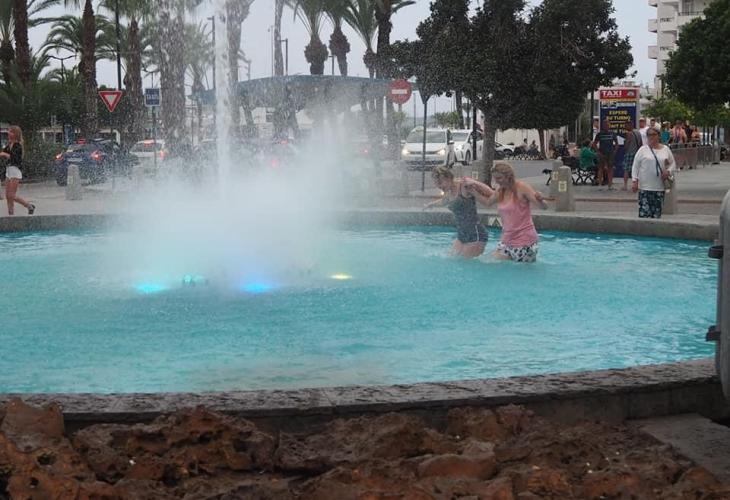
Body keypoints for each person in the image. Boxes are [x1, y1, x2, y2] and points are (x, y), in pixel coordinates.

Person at [463, 162, 547, 263]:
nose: (497, 181)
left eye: (499, 178)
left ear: (508, 176)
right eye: (495, 179)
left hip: (525, 241)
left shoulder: (522, 188)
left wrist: (541, 200)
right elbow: (487, 202)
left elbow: (543, 207)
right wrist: (472, 191)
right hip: (507, 240)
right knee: (488, 262)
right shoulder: (501, 191)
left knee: (517, 271)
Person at [423, 166, 489, 258]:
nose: (439, 186)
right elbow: (443, 201)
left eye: (440, 183)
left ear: (449, 178)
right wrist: (430, 205)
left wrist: (475, 182)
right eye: (436, 184)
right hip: (462, 235)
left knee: (465, 263)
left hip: (475, 234)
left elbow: (488, 196)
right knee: (451, 259)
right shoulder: (448, 192)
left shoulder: (464, 187)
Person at [631, 127, 676, 219]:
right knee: (644, 213)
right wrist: (634, 180)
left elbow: (673, 163)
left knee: (656, 214)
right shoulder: (642, 150)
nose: (651, 137)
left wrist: (668, 171)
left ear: (658, 136)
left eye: (653, 135)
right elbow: (635, 166)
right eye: (649, 135)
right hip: (645, 187)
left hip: (659, 187)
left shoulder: (665, 149)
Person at [0, 125, 35, 216]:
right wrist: (3, 154)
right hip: (9, 171)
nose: (8, 133)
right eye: (8, 131)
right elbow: (2, 154)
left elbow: (14, 158)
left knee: (12, 195)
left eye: (11, 131)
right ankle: (11, 214)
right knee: (8, 196)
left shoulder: (17, 146)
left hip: (15, 171)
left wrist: (5, 154)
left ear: (15, 134)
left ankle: (28, 205)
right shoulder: (9, 145)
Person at [592, 119, 618, 189]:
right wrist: (598, 152)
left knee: (610, 169)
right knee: (601, 168)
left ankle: (610, 185)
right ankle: (600, 184)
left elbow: (616, 143)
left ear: (609, 125)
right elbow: (594, 144)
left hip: (610, 153)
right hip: (602, 153)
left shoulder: (612, 133)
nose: (606, 126)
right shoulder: (599, 134)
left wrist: (614, 151)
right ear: (603, 126)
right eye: (604, 124)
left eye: (607, 124)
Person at [622, 121, 642, 191]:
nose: (625, 127)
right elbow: (640, 143)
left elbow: (626, 145)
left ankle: (625, 185)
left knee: (626, 170)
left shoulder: (629, 133)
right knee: (637, 169)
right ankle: (638, 184)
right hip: (637, 153)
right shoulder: (638, 133)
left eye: (626, 125)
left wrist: (625, 146)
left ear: (630, 125)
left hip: (629, 153)